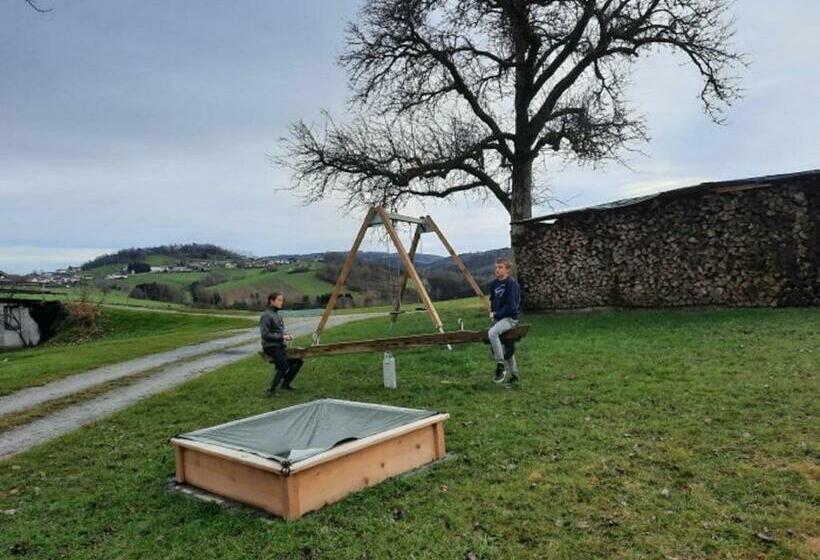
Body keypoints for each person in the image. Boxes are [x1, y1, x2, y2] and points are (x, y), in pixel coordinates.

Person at [260, 292, 304, 396]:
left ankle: (285, 384)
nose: (282, 302)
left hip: (280, 346)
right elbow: (265, 335)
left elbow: (279, 332)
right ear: (271, 301)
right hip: (270, 347)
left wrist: (287, 335)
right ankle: (271, 390)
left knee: (298, 361)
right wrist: (282, 337)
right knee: (284, 366)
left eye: (282, 300)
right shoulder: (266, 315)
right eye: (279, 300)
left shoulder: (277, 315)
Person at [488, 258, 521, 384]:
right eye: (496, 267)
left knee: (492, 333)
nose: (497, 269)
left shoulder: (511, 283)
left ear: (507, 269)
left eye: (500, 267)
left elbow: (512, 306)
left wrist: (497, 314)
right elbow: (492, 300)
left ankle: (500, 365)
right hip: (499, 319)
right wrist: (492, 313)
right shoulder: (493, 284)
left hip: (510, 318)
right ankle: (514, 376)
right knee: (507, 345)